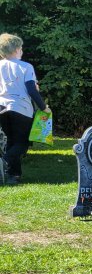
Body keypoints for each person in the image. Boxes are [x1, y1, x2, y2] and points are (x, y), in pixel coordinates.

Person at [0, 33, 49, 185]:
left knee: (11, 142)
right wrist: (44, 107)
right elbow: (31, 90)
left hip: (2, 108)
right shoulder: (26, 67)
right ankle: (4, 161)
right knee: (23, 143)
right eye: (21, 48)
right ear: (15, 49)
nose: (22, 51)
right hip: (21, 108)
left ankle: (13, 175)